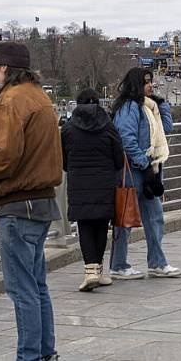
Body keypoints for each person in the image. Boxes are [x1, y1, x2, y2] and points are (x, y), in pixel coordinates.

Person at [0, 42, 62, 361]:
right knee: (37, 286)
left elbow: (3, 155)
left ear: (5, 68)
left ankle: (30, 356)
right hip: (43, 203)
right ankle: (46, 353)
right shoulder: (40, 97)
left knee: (21, 290)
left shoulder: (12, 101)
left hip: (19, 206)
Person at [109, 67, 181, 279]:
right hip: (134, 171)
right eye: (147, 82)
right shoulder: (130, 107)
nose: (151, 85)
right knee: (126, 217)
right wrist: (144, 164)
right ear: (136, 84)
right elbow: (126, 139)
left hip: (150, 169)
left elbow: (167, 129)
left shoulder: (150, 108)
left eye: (151, 81)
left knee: (155, 217)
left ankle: (157, 263)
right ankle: (119, 264)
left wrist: (163, 105)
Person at [61, 88, 124, 291]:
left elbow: (63, 160)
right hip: (104, 182)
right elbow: (119, 158)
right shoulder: (108, 126)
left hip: (79, 184)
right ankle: (98, 270)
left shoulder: (69, 129)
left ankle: (90, 271)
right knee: (100, 225)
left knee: (85, 226)